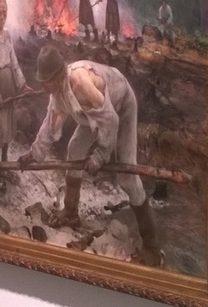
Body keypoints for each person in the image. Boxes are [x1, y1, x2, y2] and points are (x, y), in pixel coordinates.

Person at [18, 46, 163, 267]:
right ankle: (70, 212)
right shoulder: (57, 94)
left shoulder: (80, 84)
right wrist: (34, 154)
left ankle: (152, 248)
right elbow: (50, 126)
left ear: (57, 77)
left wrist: (99, 156)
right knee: (75, 149)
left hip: (120, 106)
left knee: (128, 178)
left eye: (45, 81)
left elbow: (110, 120)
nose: (42, 86)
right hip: (94, 113)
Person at [0, 0, 33, 165]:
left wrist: (23, 85)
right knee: (0, 126)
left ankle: (4, 159)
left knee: (8, 124)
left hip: (10, 87)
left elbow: (14, 62)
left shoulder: (8, 35)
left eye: (4, 13)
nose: (2, 17)